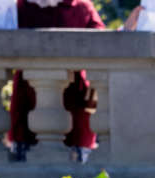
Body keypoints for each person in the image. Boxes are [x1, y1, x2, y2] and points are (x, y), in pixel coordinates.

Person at [8, 0, 104, 162]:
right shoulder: (20, 7)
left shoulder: (81, 7)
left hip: (74, 103)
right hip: (27, 101)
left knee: (75, 177)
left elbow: (103, 42)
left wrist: (127, 30)